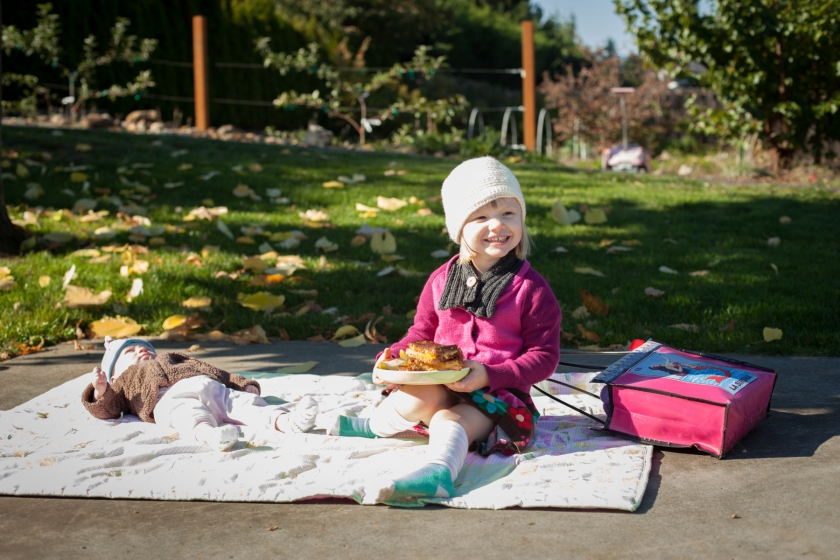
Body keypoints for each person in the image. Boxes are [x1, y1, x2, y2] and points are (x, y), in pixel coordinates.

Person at [329, 156, 561, 502]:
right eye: (481, 216)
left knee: (449, 420)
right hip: (440, 383)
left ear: (522, 219)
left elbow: (544, 357)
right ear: (458, 227)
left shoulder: (531, 289)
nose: (497, 225)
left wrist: (489, 374)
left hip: (496, 399)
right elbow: (420, 334)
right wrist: (393, 358)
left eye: (508, 213)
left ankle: (438, 473)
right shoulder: (441, 281)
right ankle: (374, 427)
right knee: (411, 398)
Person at [81, 337, 318, 451]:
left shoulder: (171, 358)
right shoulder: (123, 382)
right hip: (168, 401)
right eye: (129, 350)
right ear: (114, 375)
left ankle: (286, 421)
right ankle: (211, 435)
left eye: (143, 346)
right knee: (188, 416)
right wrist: (101, 391)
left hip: (206, 385)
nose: (140, 349)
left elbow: (211, 370)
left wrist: (241, 383)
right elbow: (108, 409)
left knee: (244, 403)